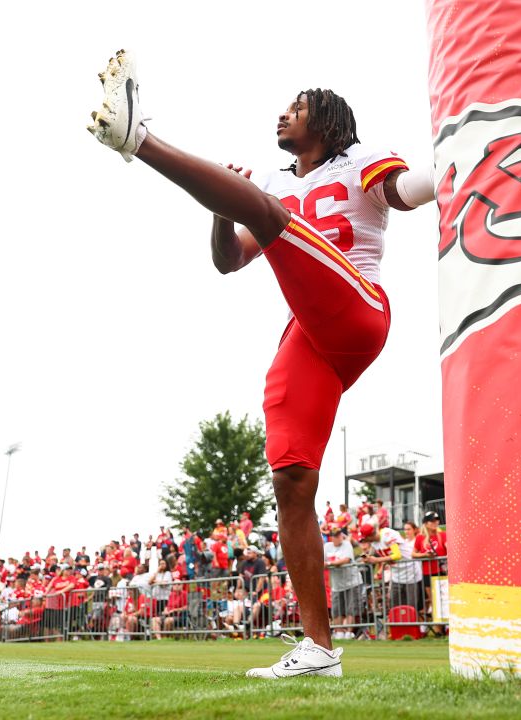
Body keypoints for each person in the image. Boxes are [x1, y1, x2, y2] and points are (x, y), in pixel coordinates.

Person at [88, 50, 435, 678]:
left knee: (273, 215)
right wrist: (224, 209)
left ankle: (137, 138)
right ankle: (319, 650)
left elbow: (404, 193)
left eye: (296, 107)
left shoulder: (358, 161)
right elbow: (228, 261)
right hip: (307, 329)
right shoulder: (271, 188)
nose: (282, 114)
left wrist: (456, 172)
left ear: (327, 120)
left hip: (357, 309)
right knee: (291, 482)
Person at [324, 527, 362, 640]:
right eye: (335, 535)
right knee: (336, 609)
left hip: (352, 581)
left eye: (339, 535)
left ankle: (349, 632)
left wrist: (330, 563)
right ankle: (339, 631)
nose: (338, 537)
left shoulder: (347, 544)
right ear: (332, 537)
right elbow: (321, 560)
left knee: (351, 608)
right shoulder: (327, 546)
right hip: (337, 584)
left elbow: (346, 560)